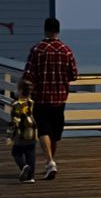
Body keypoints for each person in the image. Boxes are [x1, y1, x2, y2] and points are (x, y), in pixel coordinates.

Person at [22, 17, 77, 181]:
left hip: (41, 97)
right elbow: (73, 75)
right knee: (54, 133)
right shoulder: (66, 50)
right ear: (58, 31)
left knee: (43, 130)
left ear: (45, 30)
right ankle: (50, 163)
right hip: (60, 98)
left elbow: (28, 74)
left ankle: (50, 162)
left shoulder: (37, 50)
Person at [6, 79, 38, 184]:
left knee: (16, 152)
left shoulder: (17, 105)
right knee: (31, 153)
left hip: (22, 133)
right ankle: (31, 177)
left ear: (20, 90)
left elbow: (14, 121)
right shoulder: (31, 102)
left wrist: (9, 136)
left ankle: (24, 166)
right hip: (32, 132)